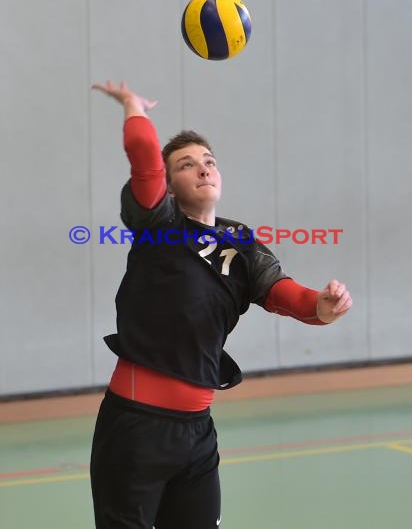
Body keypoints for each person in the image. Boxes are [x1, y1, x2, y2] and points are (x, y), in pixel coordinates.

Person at [90, 80, 352, 529]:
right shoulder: (159, 225)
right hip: (136, 427)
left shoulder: (241, 244)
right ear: (169, 186)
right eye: (187, 165)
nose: (203, 169)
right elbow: (145, 160)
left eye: (209, 162)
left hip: (197, 432)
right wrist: (133, 106)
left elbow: (289, 297)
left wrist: (324, 307)